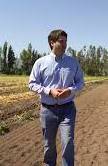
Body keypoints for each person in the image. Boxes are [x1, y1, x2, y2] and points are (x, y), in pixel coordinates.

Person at [29, 29, 84, 166]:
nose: (65, 44)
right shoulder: (40, 63)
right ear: (52, 42)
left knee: (67, 143)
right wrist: (49, 91)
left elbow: (80, 82)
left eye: (66, 41)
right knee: (49, 145)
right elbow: (32, 84)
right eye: (61, 41)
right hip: (48, 111)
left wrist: (70, 90)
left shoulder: (72, 63)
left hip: (68, 110)